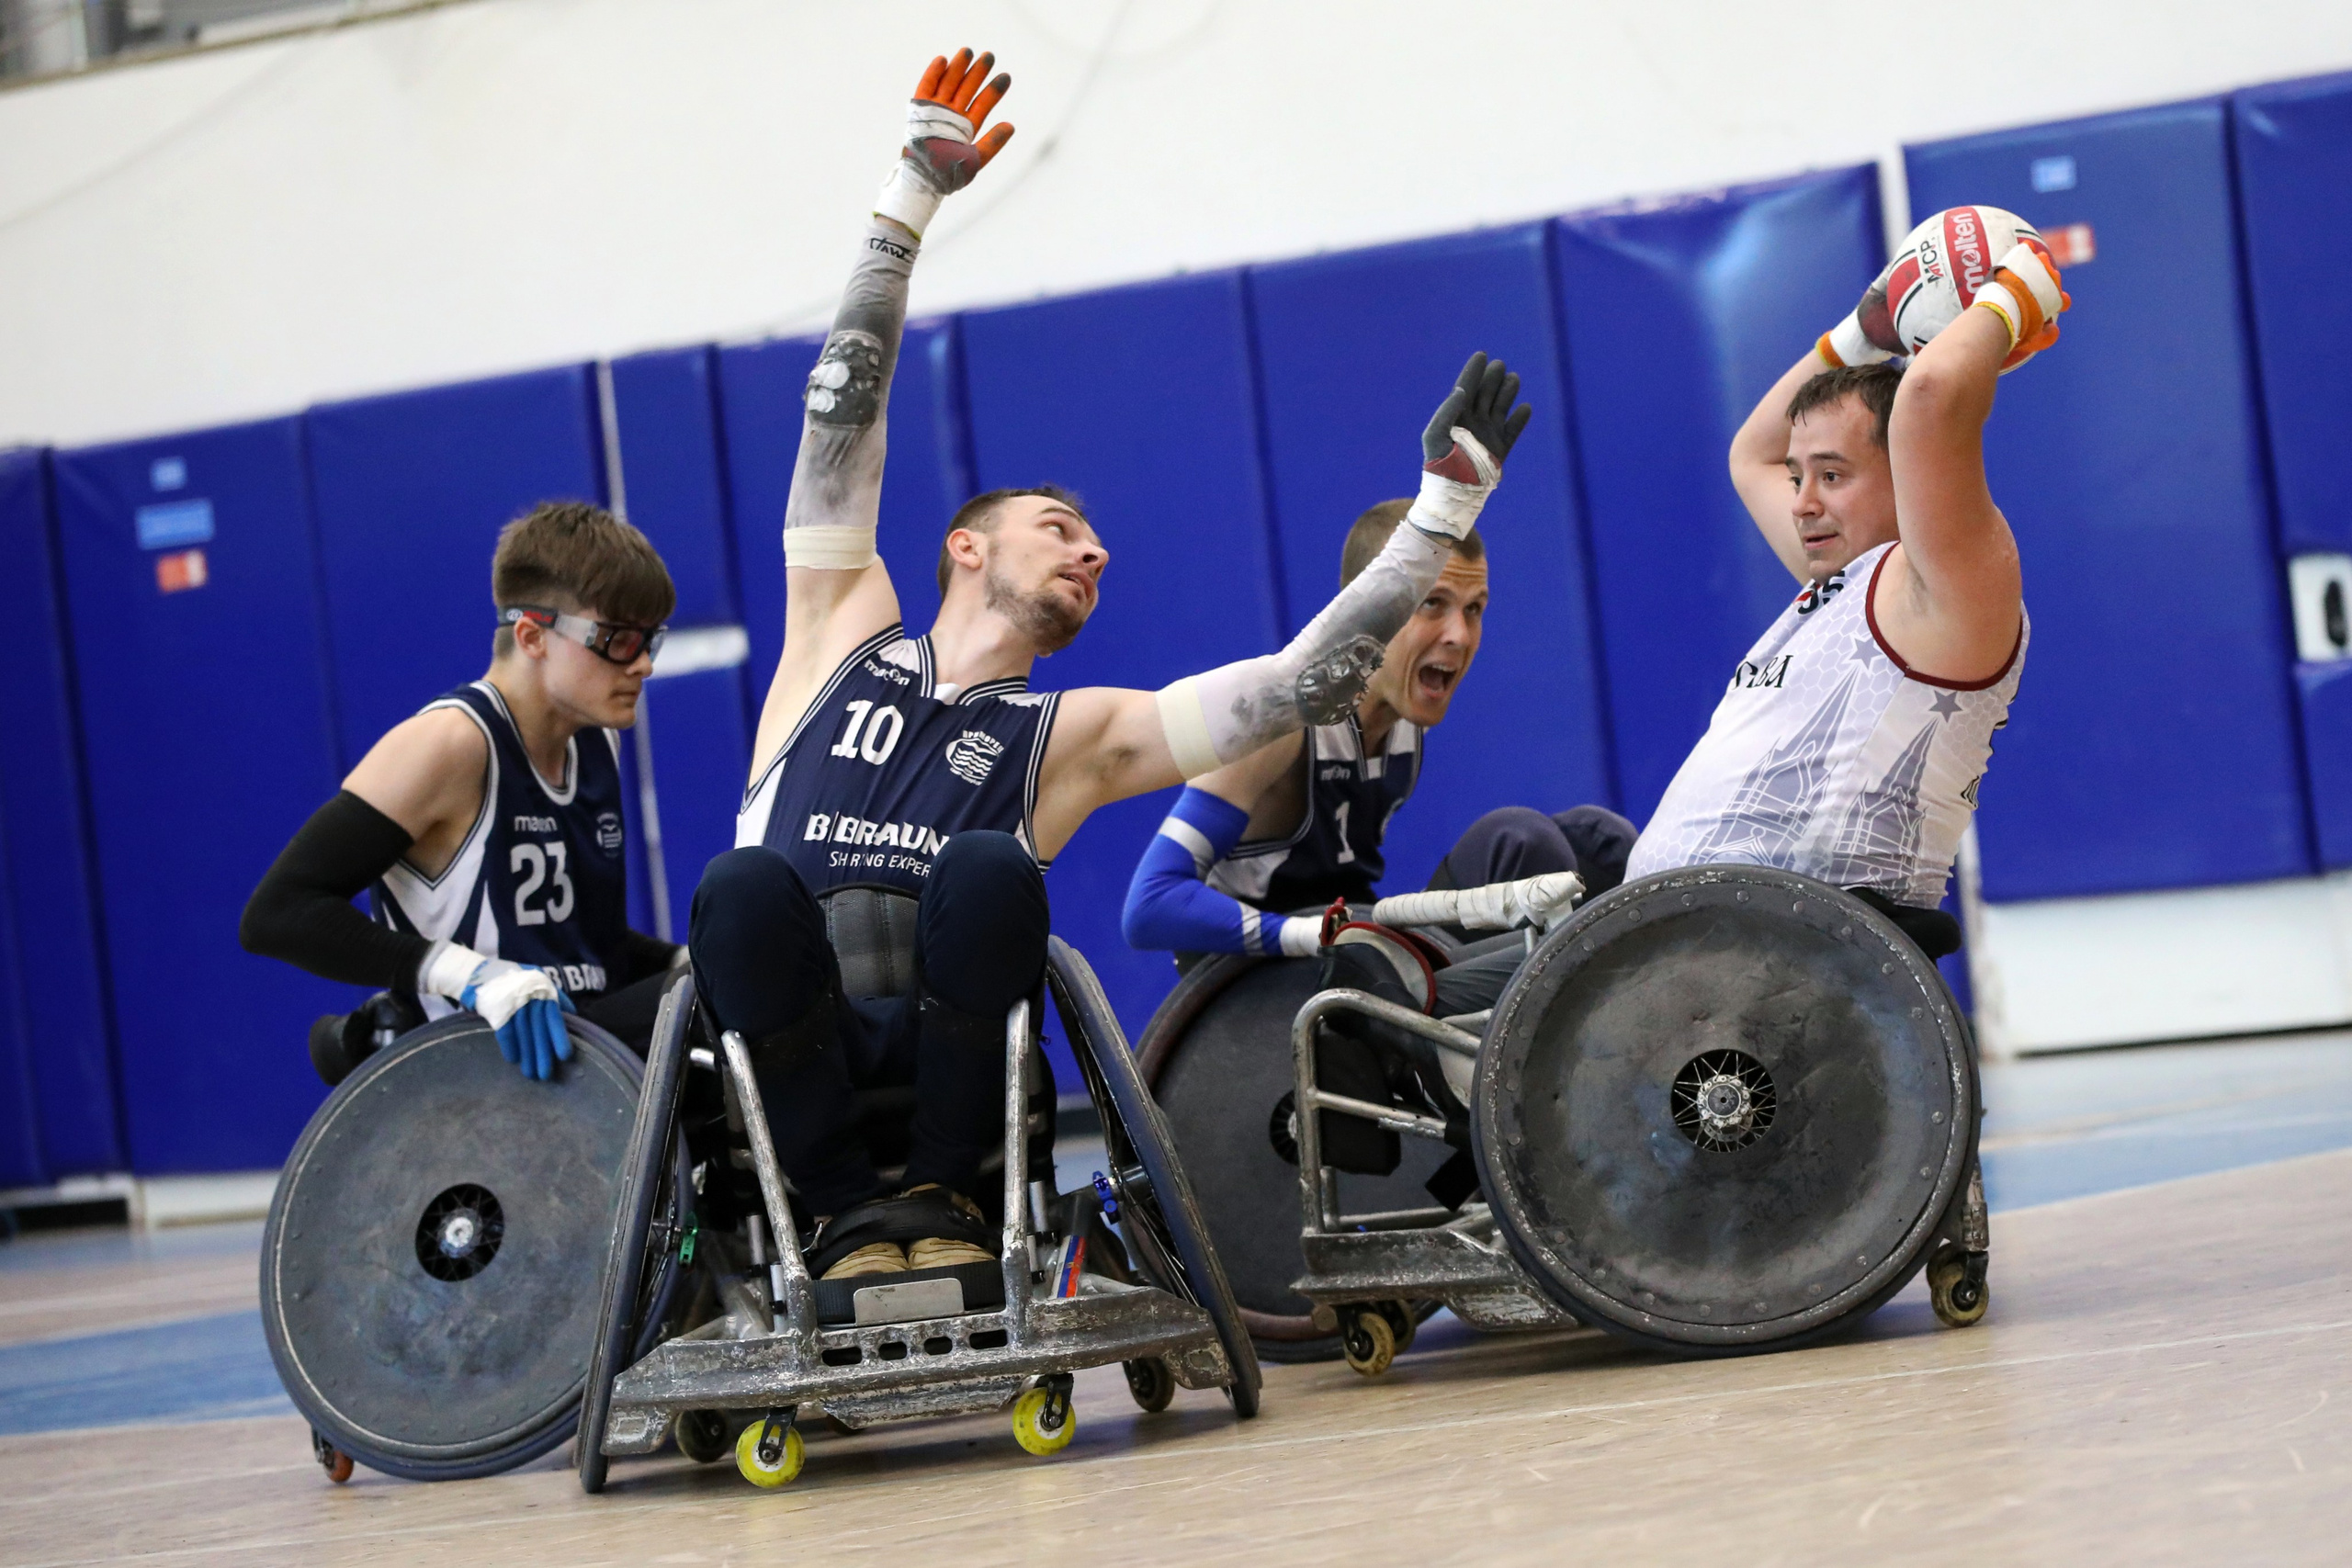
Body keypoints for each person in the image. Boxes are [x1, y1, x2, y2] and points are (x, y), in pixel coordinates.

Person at [688, 48, 1536, 1298]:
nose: (1091, 548)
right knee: (743, 882)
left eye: (1094, 541)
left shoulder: (1072, 734)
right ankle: (837, 1218)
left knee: (985, 866)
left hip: (948, 1060)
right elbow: (840, 424)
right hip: (783, 1043)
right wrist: (905, 209)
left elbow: (1299, 686)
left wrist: (1436, 516)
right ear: (964, 547)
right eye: (1056, 526)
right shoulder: (840, 629)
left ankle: (936, 1197)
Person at [1325, 222, 2068, 1146]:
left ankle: (1413, 1086)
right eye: (1803, 478)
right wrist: (1864, 329)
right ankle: (1409, 1055)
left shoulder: (1948, 591)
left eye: (1830, 475)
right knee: (1469, 907)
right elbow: (1750, 452)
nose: (1799, 499)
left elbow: (1927, 400)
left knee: (1384, 1006)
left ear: (1908, 481)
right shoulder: (1835, 583)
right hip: (1689, 936)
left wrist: (2015, 292)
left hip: (1750, 963)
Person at [240, 502, 684, 1085]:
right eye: (620, 640)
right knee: (724, 995)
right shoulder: (451, 743)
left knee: (742, 973)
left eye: (652, 639)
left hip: (584, 1047)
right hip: (482, 1069)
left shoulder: (597, 743)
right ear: (532, 636)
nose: (645, 665)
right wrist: (470, 975)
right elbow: (276, 913)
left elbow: (585, 950)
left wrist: (679, 960)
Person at [1119, 498, 1634, 964]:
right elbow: (1149, 905)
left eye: (1474, 609)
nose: (1459, 635)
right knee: (1518, 840)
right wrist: (1308, 934)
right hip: (1260, 988)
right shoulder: (1282, 721)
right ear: (1364, 609)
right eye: (1432, 603)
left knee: (1595, 840)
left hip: (1359, 954)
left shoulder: (1404, 723)